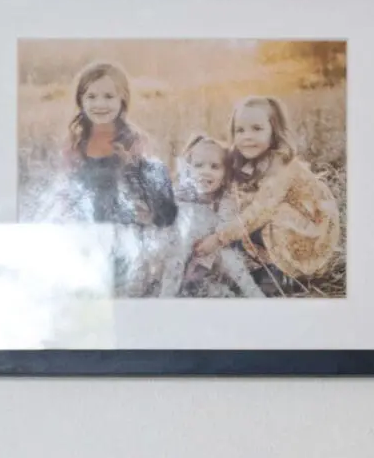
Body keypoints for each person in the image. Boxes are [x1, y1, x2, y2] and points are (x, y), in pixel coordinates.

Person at [40, 60, 177, 293]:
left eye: (108, 96)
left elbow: (150, 194)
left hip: (126, 227)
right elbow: (66, 190)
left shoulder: (133, 141)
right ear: (80, 100)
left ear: (122, 99)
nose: (99, 104)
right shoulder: (74, 142)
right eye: (91, 97)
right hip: (87, 229)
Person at [191, 95, 341, 292]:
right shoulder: (251, 159)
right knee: (240, 209)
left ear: (274, 132)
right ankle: (259, 264)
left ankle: (287, 273)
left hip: (312, 231)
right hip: (287, 222)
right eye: (240, 130)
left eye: (257, 129)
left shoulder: (281, 166)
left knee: (262, 216)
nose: (247, 137)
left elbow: (259, 213)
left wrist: (218, 238)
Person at [159, 134, 264, 299]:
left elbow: (225, 229)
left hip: (213, 252)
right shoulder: (182, 194)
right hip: (184, 253)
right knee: (176, 255)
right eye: (198, 165)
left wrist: (211, 243)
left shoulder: (225, 200)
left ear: (225, 175)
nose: (205, 172)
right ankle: (166, 298)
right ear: (188, 169)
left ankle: (253, 294)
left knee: (229, 257)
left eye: (215, 167)